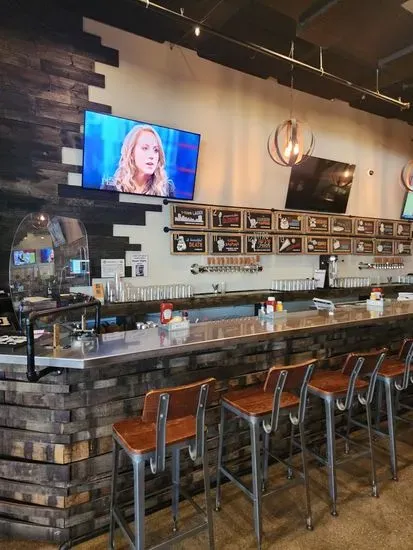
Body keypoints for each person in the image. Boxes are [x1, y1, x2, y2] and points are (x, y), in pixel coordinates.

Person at [104, 125, 174, 196]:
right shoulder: (111, 187)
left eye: (156, 150)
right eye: (145, 148)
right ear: (131, 153)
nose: (151, 156)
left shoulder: (166, 189)